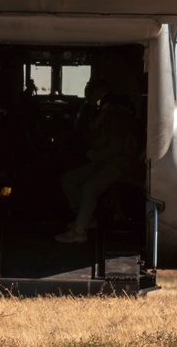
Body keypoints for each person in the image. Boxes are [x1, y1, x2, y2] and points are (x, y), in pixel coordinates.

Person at [55, 78, 137, 243]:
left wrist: (93, 155)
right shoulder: (103, 114)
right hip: (102, 163)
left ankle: (79, 232)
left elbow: (115, 147)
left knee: (89, 189)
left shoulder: (115, 115)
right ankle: (85, 218)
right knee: (68, 179)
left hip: (117, 165)